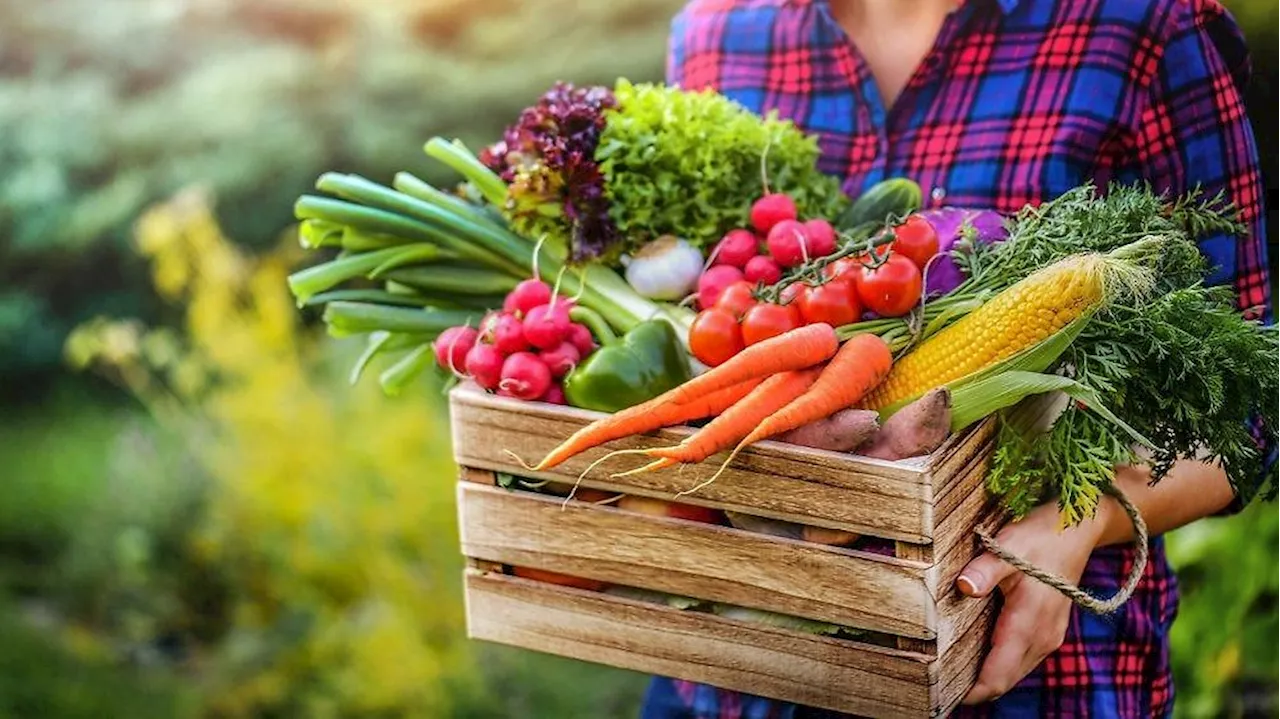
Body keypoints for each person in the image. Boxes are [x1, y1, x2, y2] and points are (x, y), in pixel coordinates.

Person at [641, 1, 1275, 717]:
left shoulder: (1142, 29)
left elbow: (1245, 415)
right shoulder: (716, 35)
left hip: (1022, 668)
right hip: (744, 669)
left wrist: (1081, 520)